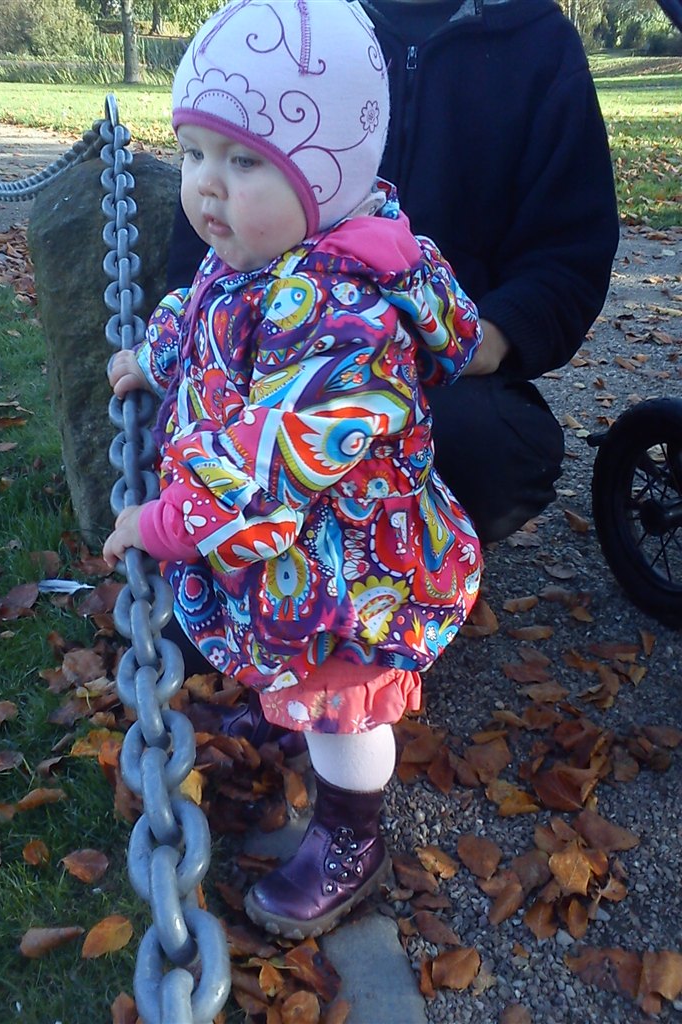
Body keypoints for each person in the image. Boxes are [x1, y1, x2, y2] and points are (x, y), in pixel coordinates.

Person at [104, 0, 485, 939]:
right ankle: (285, 711)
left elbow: (269, 465)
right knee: (298, 671)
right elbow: (205, 311)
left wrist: (161, 524)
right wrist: (154, 357)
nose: (207, 185)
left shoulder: (343, 315)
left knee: (346, 709)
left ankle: (354, 833)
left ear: (326, 174)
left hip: (353, 566)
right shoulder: (264, 248)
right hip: (296, 558)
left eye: (243, 161)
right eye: (193, 152)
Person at [165, 0, 621, 544]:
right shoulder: (286, 24)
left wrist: (494, 335)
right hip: (265, 342)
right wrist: (170, 344)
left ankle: (385, 561)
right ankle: (231, 529)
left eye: (241, 161)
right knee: (205, 411)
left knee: (486, 450)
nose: (207, 175)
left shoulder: (538, 41)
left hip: (439, 367)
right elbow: (204, 247)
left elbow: (569, 249)